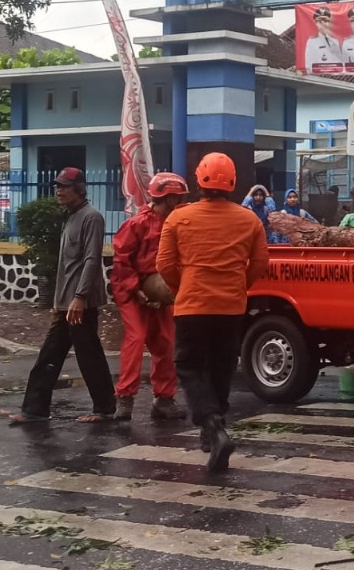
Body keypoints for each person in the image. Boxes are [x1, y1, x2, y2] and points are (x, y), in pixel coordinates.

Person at [157, 152, 268, 471]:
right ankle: (214, 427)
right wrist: (239, 285)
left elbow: (164, 264)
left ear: (199, 179)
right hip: (231, 306)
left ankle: (212, 424)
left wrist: (182, 288)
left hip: (193, 305)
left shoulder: (178, 218)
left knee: (189, 364)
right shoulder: (249, 220)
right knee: (222, 365)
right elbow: (260, 263)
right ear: (233, 182)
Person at [12, 168, 117, 425]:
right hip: (67, 303)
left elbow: (91, 260)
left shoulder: (91, 218)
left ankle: (102, 408)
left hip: (81, 302)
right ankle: (35, 410)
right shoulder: (70, 217)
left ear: (79, 189)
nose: (59, 191)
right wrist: (60, 302)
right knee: (53, 354)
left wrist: (79, 297)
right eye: (57, 186)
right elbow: (66, 265)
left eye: (64, 186)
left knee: (86, 355)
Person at [110, 172, 190, 422]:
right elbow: (121, 261)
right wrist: (137, 290)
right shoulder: (136, 225)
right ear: (163, 198)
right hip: (132, 290)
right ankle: (125, 398)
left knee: (166, 342)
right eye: (174, 199)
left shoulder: (175, 225)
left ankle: (164, 399)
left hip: (161, 292)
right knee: (136, 339)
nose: (177, 204)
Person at [303, 6, 343, 70]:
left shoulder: (335, 40)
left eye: (325, 21)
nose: (323, 23)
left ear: (329, 23)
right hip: (320, 75)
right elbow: (309, 64)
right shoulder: (312, 41)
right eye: (320, 21)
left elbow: (340, 60)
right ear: (316, 23)